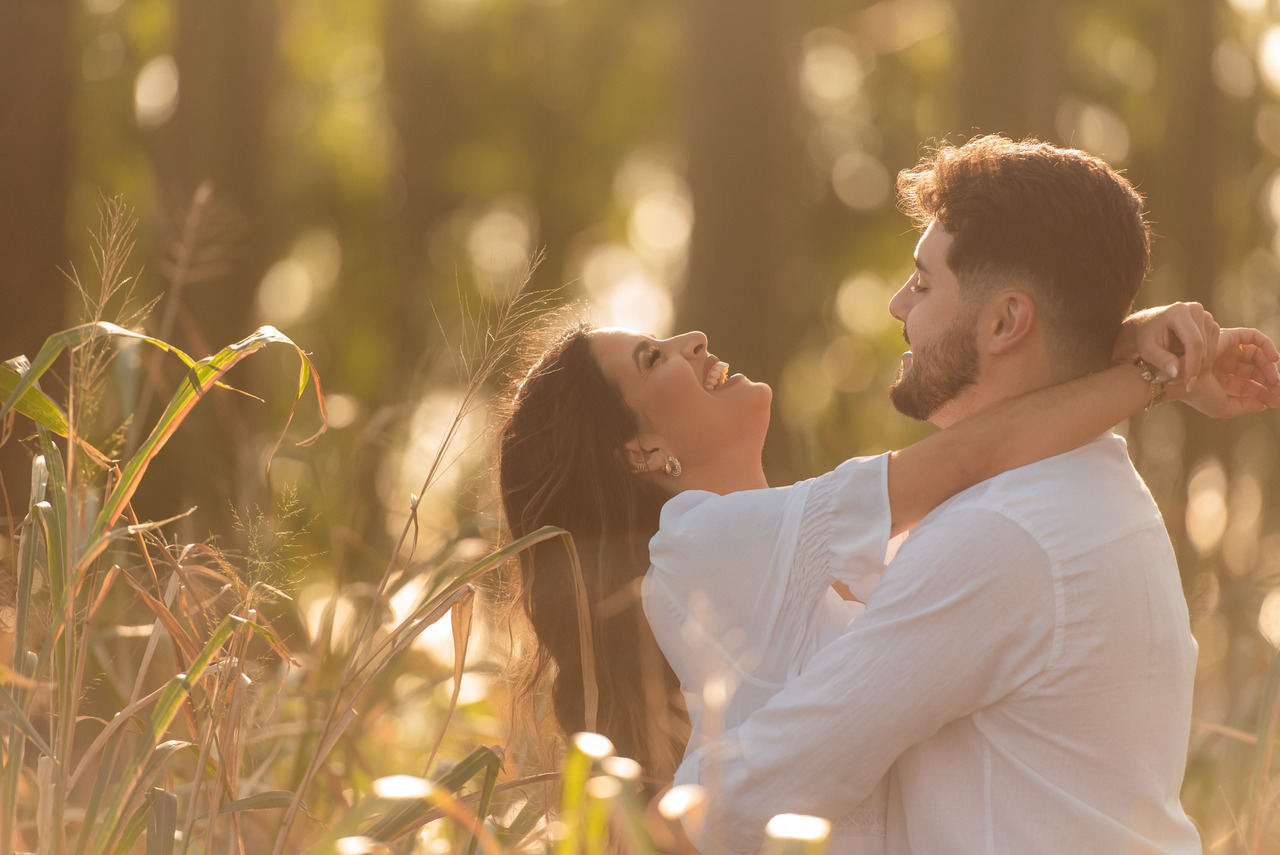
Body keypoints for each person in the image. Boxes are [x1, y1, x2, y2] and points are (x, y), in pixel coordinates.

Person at [664, 135, 1280, 854]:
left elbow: (779, 781)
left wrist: (614, 826)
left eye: (923, 284)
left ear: (1006, 322)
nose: (898, 305)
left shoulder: (1005, 532)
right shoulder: (1082, 487)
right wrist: (1135, 350)